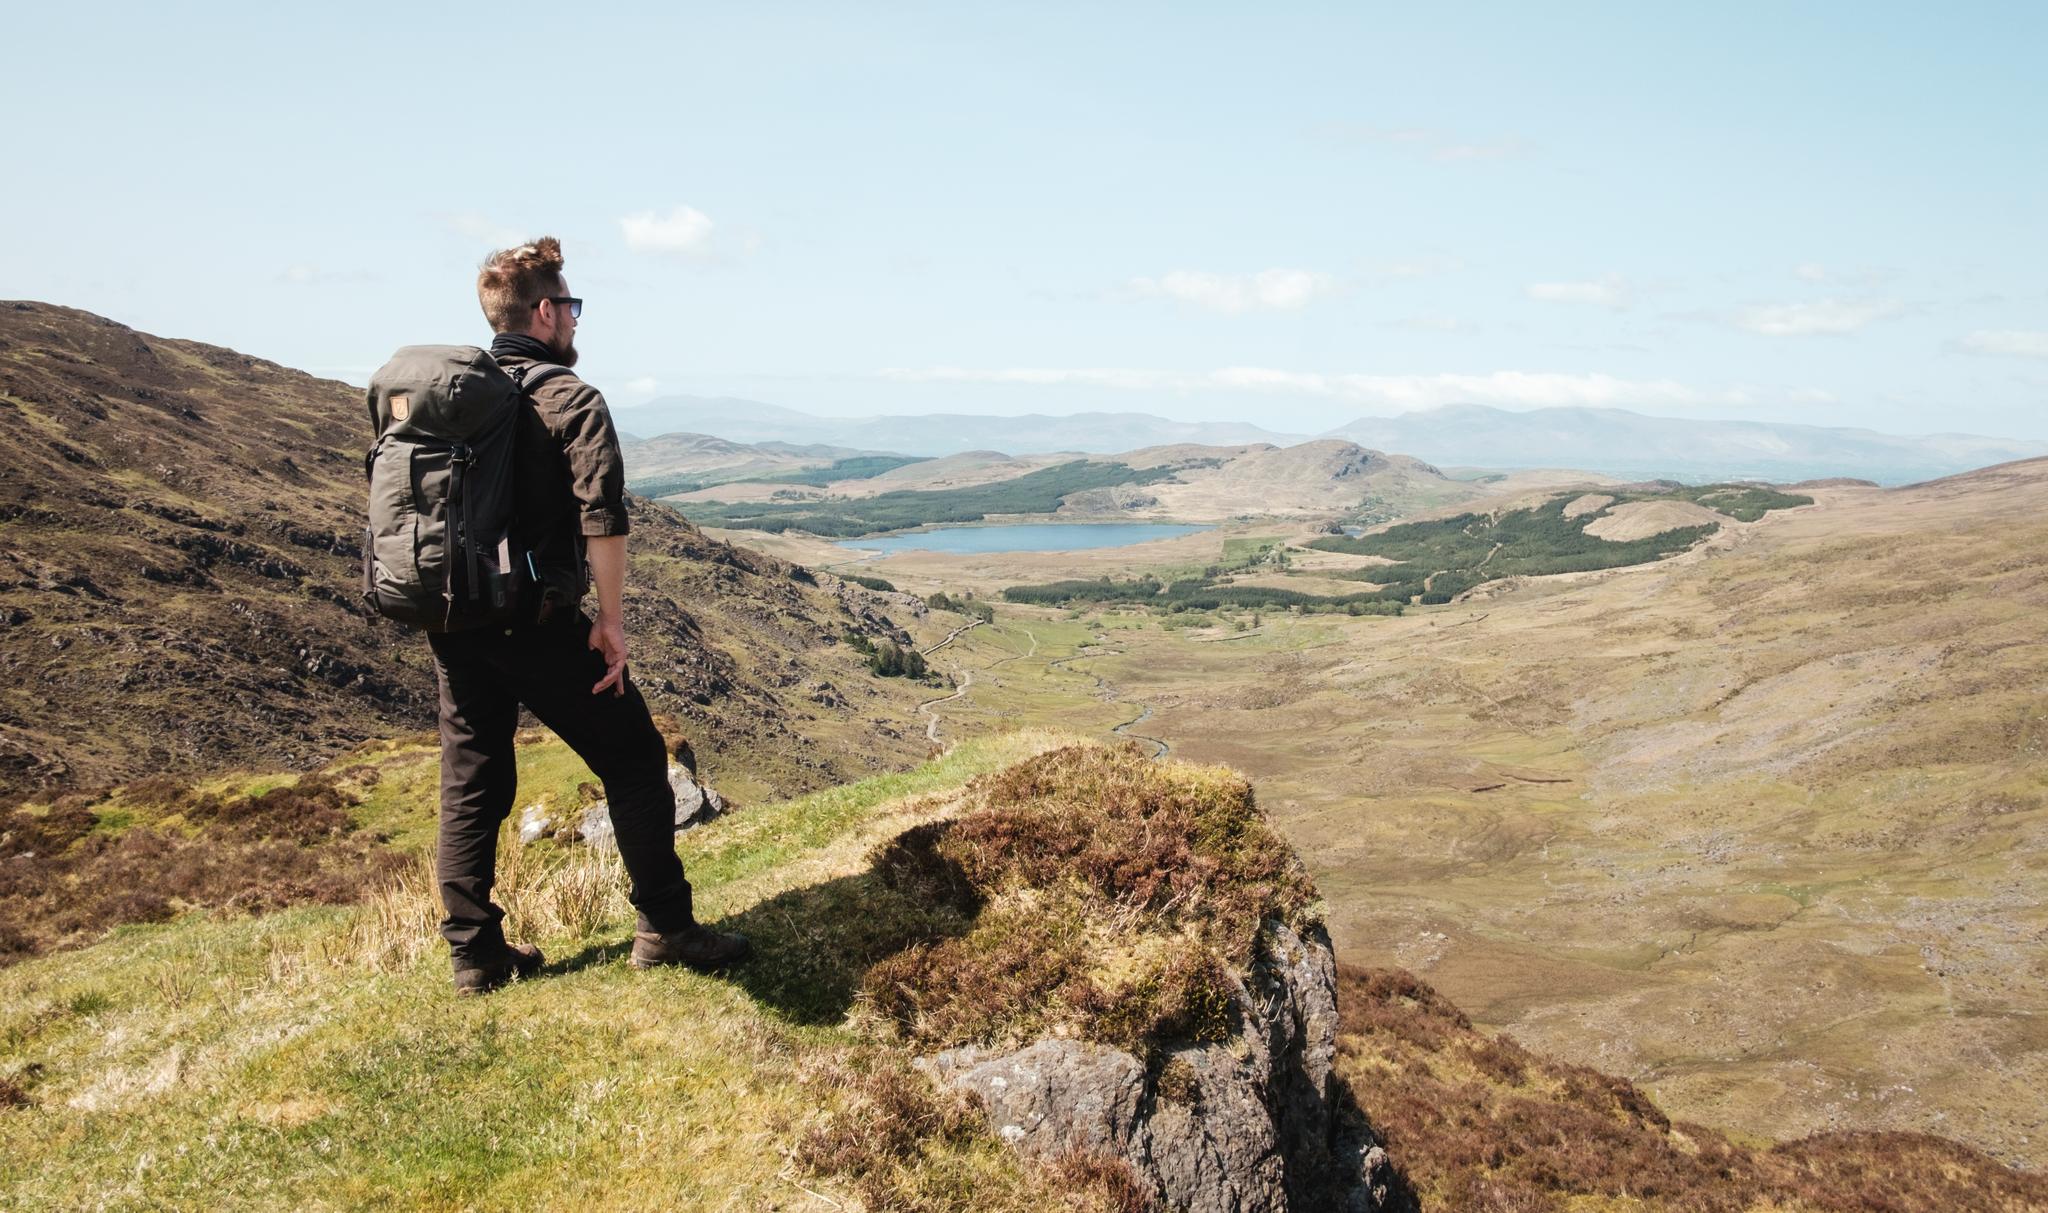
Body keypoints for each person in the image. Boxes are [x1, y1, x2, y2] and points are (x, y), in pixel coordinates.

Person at [432, 236, 749, 995]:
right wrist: (609, 621)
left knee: (471, 781)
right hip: (535, 620)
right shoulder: (569, 398)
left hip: (452, 618)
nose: (575, 320)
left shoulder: (450, 399)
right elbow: (602, 518)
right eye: (569, 306)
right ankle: (667, 928)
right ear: (544, 311)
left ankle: (475, 955)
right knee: (635, 761)